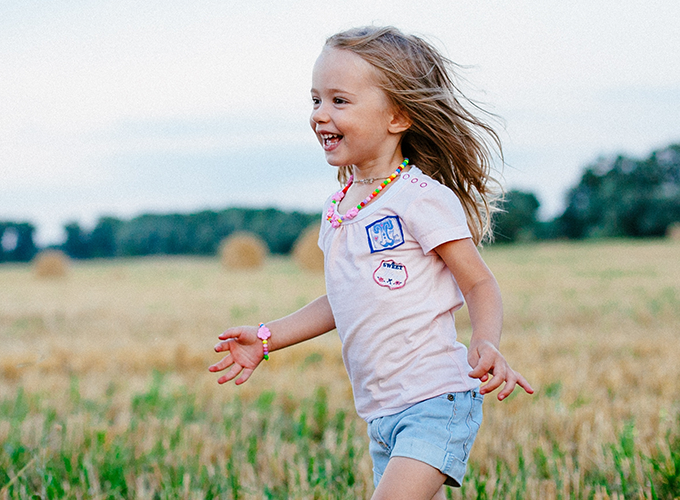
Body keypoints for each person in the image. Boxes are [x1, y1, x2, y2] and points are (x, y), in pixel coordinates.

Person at [209, 25, 534, 500]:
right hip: (381, 413)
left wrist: (485, 341)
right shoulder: (339, 207)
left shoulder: (420, 197)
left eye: (340, 101)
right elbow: (341, 298)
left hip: (435, 402)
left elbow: (479, 283)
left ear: (398, 116)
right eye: (315, 100)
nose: (321, 115)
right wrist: (267, 337)